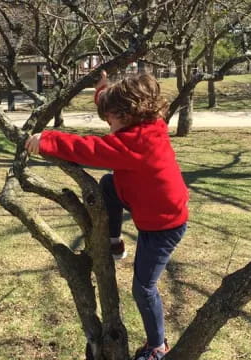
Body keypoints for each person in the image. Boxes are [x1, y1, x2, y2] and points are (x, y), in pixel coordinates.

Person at [25, 71, 189, 360]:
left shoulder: (135, 144)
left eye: (110, 117)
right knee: (108, 185)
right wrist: (102, 90)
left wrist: (47, 140)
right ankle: (114, 240)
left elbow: (90, 149)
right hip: (145, 205)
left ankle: (157, 346)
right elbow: (111, 105)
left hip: (163, 226)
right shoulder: (147, 124)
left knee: (144, 287)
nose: (107, 123)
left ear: (127, 114)